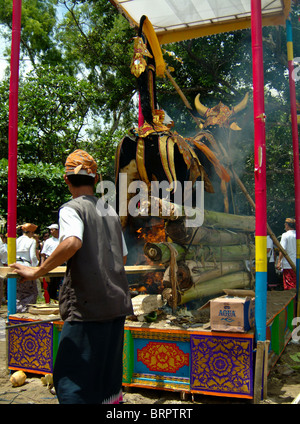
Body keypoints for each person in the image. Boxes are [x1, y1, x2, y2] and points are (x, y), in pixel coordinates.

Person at [10, 149, 133, 404]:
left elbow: (73, 242)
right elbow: (122, 257)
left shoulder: (70, 209)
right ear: (96, 179)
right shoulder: (109, 211)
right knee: (106, 379)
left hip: (88, 308)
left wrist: (37, 271)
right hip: (116, 305)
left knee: (72, 380)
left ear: (67, 181)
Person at [16, 223, 39, 312]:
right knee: (31, 291)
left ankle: (17, 309)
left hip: (16, 266)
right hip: (26, 265)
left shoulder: (16, 240)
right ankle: (26, 310)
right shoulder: (31, 241)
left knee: (18, 291)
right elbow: (33, 256)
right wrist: (35, 267)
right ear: (31, 232)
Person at [40, 224, 60, 302]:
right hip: (50, 262)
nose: (51, 232)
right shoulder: (48, 241)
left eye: (53, 230)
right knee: (51, 282)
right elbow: (43, 254)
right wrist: (42, 264)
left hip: (61, 261)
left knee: (61, 281)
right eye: (50, 230)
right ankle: (52, 297)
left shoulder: (63, 239)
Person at [277, 218, 297, 290]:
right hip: (297, 262)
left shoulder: (285, 235)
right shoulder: (297, 235)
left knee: (289, 285)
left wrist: (279, 262)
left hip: (288, 264)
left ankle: (292, 300)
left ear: (287, 225)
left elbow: (282, 250)